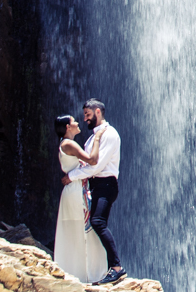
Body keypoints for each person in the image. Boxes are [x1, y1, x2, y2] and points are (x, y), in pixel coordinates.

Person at [62, 98, 126, 286]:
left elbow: (95, 166)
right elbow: (88, 162)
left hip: (106, 184)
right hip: (97, 185)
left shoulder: (110, 134)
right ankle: (101, 269)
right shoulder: (93, 137)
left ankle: (116, 268)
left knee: (97, 222)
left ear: (98, 112)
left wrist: (72, 176)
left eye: (88, 115)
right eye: (84, 116)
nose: (85, 119)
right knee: (93, 225)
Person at [52, 114, 108, 283]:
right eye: (73, 121)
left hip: (76, 189)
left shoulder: (65, 144)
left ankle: (78, 273)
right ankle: (85, 275)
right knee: (81, 231)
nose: (77, 123)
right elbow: (92, 160)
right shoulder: (68, 143)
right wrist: (97, 138)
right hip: (76, 192)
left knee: (77, 231)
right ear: (68, 127)